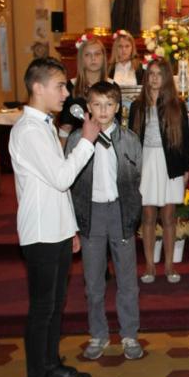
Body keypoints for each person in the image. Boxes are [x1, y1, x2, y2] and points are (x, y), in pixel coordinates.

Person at [9, 57, 99, 377]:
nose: (65, 93)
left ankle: (51, 365)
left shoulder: (44, 124)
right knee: (42, 308)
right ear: (38, 87)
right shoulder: (28, 131)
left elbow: (55, 185)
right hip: (40, 231)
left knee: (55, 305)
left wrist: (70, 227)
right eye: (60, 86)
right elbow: (62, 178)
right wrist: (87, 141)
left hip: (56, 228)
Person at [65, 81, 143, 361]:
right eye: (97, 105)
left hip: (120, 212)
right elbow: (68, 181)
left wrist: (132, 215)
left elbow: (137, 179)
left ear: (118, 107)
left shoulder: (130, 139)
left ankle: (129, 334)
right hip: (91, 213)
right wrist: (73, 222)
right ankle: (98, 334)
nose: (103, 110)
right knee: (94, 281)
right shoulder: (77, 139)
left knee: (127, 280)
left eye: (109, 104)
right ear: (88, 107)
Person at [129, 58, 189, 284]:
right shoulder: (137, 106)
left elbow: (185, 140)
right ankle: (149, 266)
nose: (155, 78)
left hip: (170, 164)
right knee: (147, 215)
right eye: (151, 74)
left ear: (167, 78)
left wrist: (186, 169)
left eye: (159, 74)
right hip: (146, 163)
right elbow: (131, 140)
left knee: (168, 216)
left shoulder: (177, 105)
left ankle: (169, 265)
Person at [60, 35, 111, 139]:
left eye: (97, 54)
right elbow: (65, 128)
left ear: (104, 57)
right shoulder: (71, 87)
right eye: (88, 55)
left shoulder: (112, 86)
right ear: (81, 59)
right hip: (77, 143)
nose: (93, 58)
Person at [109, 29, 142, 111]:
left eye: (127, 46)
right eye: (120, 46)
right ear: (115, 48)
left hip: (136, 110)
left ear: (132, 48)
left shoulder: (140, 69)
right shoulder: (109, 69)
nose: (124, 50)